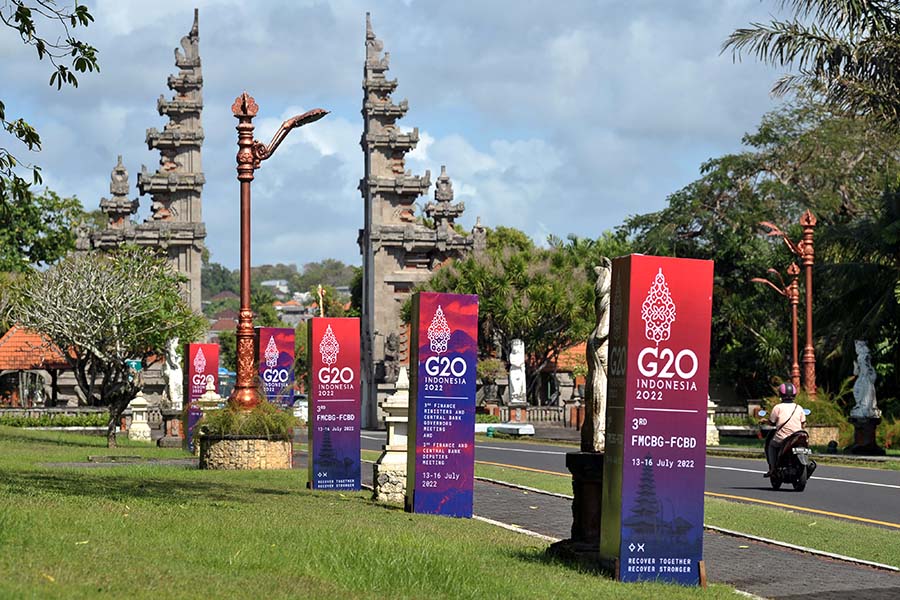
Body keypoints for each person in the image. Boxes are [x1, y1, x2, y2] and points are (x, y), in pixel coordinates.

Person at [764, 383, 806, 477]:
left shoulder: (778, 407)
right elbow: (803, 423)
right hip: (797, 437)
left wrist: (764, 421)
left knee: (771, 445)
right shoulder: (799, 408)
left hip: (782, 438)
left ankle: (772, 469)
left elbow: (771, 422)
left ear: (781, 394)